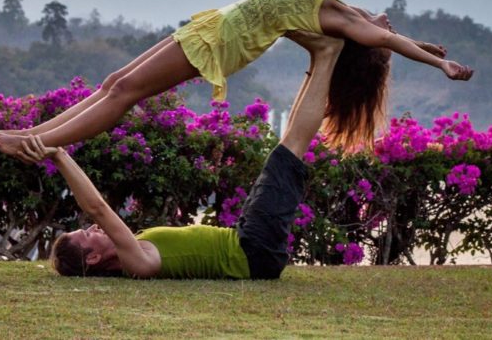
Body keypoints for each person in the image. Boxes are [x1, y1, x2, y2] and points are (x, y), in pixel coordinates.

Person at [0, 0, 473, 161]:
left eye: (386, 36)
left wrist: (439, 63)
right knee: (115, 81)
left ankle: (38, 145)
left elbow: (387, 40)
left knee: (125, 92)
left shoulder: (352, 25)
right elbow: (391, 37)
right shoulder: (351, 14)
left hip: (223, 43)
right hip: (216, 26)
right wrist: (427, 46)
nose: (389, 24)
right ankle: (31, 133)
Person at [31, 31, 350, 278]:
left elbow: (97, 212)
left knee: (285, 150)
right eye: (87, 234)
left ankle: (320, 58)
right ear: (93, 258)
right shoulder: (139, 263)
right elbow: (97, 207)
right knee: (290, 150)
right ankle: (328, 54)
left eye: (87, 227)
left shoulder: (138, 250)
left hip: (246, 241)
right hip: (253, 250)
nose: (94, 228)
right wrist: (58, 153)